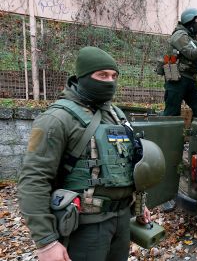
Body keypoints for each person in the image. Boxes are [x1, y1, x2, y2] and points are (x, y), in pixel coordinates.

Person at [18, 46, 152, 261]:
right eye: (102, 75)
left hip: (121, 221)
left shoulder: (115, 114)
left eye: (114, 76)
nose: (109, 81)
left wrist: (140, 205)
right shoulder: (56, 119)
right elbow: (33, 179)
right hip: (83, 228)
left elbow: (127, 164)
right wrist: (46, 242)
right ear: (82, 77)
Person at [163, 8, 197, 118]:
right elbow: (191, 54)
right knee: (171, 113)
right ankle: (168, 134)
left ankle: (194, 135)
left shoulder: (191, 38)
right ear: (189, 21)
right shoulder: (179, 35)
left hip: (189, 78)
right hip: (176, 78)